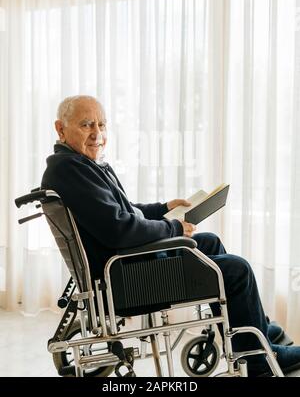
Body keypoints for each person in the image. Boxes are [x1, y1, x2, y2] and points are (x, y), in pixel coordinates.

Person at [41, 95, 300, 376]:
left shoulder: (79, 165)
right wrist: (175, 227)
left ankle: (255, 330)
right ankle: (259, 360)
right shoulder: (70, 170)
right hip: (128, 278)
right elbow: (120, 229)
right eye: (87, 125)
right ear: (61, 128)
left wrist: (164, 209)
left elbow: (124, 212)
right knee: (237, 269)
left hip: (127, 265)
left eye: (102, 125)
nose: (98, 134)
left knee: (209, 242)